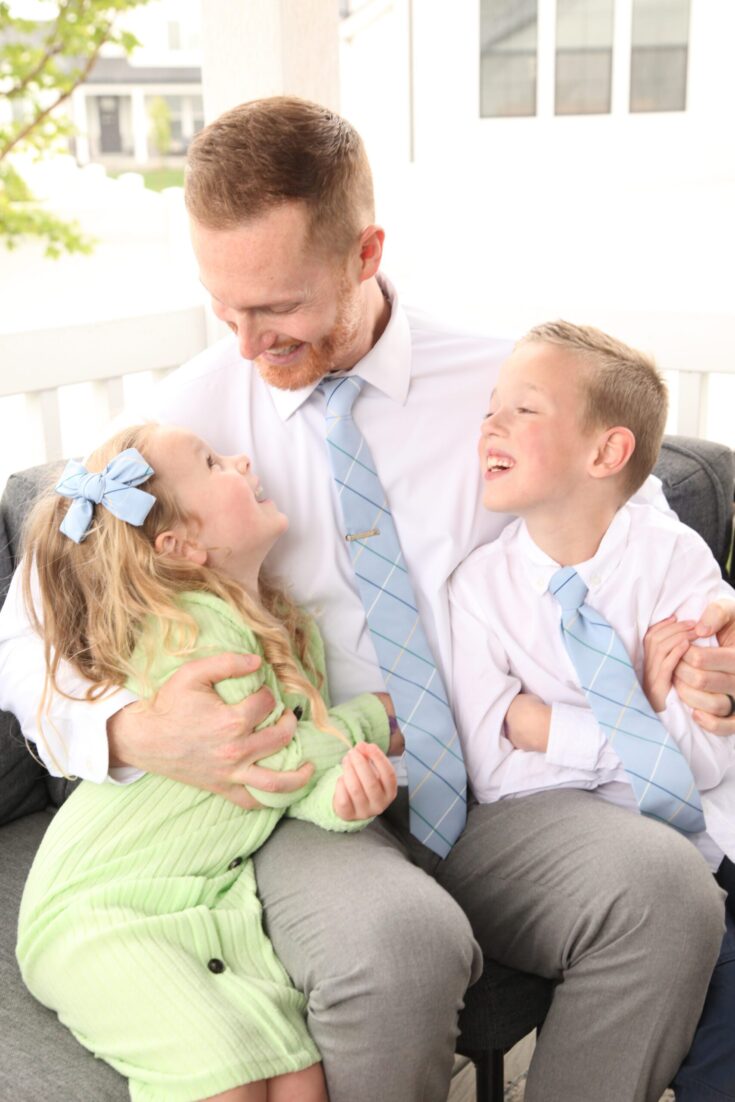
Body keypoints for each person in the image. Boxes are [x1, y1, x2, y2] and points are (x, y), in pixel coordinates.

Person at [1, 96, 735, 1102]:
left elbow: (633, 514)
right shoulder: (188, 426)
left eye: (279, 307)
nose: (251, 343)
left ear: (364, 252)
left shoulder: (494, 382)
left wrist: (706, 624)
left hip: (494, 782)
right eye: (227, 308)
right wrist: (130, 732)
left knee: (667, 892)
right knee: (398, 945)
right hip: (306, 808)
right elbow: (29, 635)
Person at [16, 422, 400, 1102]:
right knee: (221, 1073)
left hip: (206, 900)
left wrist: (344, 796)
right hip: (106, 904)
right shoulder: (187, 629)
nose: (242, 459)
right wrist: (369, 721)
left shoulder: (288, 629)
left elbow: (285, 769)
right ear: (181, 546)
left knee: (297, 1074)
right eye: (215, 463)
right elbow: (284, 760)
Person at [448, 320, 735, 1101]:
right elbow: (497, 771)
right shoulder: (478, 591)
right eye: (489, 409)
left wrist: (549, 724)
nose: (489, 426)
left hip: (709, 834)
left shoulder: (668, 557)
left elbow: (710, 752)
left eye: (523, 411)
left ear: (605, 454)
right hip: (585, 841)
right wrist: (640, 709)